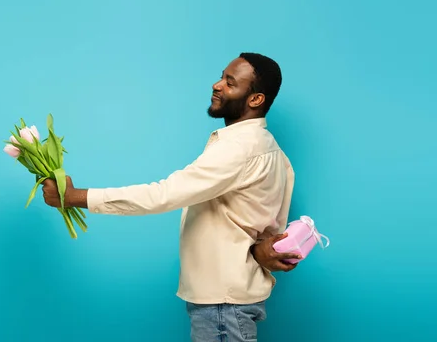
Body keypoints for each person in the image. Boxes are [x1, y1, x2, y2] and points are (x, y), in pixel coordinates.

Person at [41, 52, 300, 342]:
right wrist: (259, 249)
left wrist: (74, 197)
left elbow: (163, 195)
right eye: (221, 77)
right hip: (229, 301)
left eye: (230, 82)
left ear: (255, 99)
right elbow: (264, 230)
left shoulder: (240, 148)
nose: (217, 85)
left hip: (222, 306)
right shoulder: (273, 152)